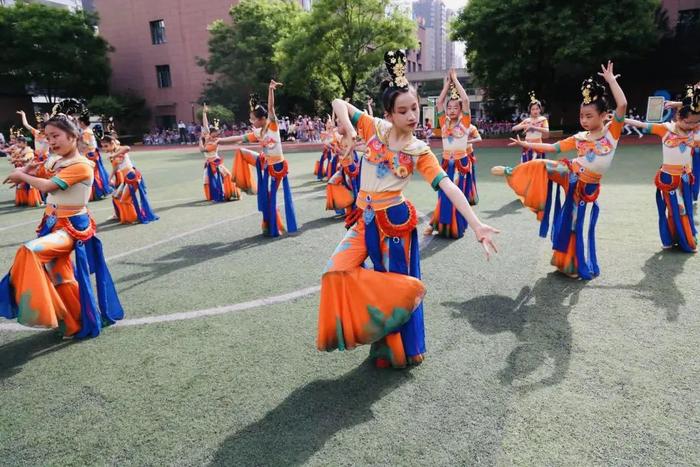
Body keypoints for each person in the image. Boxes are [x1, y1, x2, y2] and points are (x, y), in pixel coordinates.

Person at [317, 50, 499, 369]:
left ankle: (398, 349)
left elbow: (447, 186)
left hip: (395, 223)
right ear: (389, 114)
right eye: (403, 111)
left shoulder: (420, 151)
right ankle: (378, 325)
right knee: (335, 270)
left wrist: (476, 224)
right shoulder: (374, 129)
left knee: (396, 283)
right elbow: (337, 102)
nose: (412, 115)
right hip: (364, 222)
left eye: (414, 107)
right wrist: (346, 126)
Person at [492, 61, 627, 280]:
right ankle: (512, 171)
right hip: (571, 174)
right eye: (582, 116)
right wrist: (526, 145)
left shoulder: (612, 133)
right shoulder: (579, 138)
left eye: (589, 116)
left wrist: (611, 81)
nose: (583, 120)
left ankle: (568, 263)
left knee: (571, 222)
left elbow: (622, 105)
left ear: (604, 115)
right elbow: (552, 147)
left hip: (585, 186)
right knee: (542, 165)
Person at [0, 111, 124, 338]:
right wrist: (27, 169)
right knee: (59, 275)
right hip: (52, 224)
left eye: (56, 136)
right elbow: (42, 167)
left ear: (73, 135)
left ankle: (32, 308)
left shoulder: (82, 165)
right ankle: (75, 322)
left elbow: (48, 186)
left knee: (29, 251)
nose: (51, 141)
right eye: (48, 137)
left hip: (71, 228)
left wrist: (22, 176)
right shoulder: (57, 160)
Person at [623, 85, 700, 252]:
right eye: (689, 122)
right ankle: (678, 239)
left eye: (696, 122)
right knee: (676, 208)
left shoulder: (695, 133)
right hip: (668, 179)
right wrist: (622, 120)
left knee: (683, 208)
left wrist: (680, 103)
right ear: (679, 117)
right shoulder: (665, 129)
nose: (692, 125)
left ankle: (682, 239)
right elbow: (643, 125)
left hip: (685, 178)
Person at [229, 81, 298, 237]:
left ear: (261, 118)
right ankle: (268, 223)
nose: (251, 122)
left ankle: (274, 226)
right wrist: (219, 140)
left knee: (271, 196)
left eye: (253, 119)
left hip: (278, 167)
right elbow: (240, 137)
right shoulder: (259, 132)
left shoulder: (272, 125)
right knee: (241, 152)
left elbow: (271, 107)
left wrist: (270, 89)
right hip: (266, 163)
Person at [426, 68, 481, 238]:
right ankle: (440, 224)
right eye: (449, 108)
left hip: (460, 163)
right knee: (443, 195)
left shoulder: (465, 122)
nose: (450, 110)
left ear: (460, 110)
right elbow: (439, 102)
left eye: (454, 108)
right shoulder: (443, 122)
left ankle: (455, 226)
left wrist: (455, 81)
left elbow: (465, 99)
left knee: (457, 195)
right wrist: (447, 84)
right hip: (445, 163)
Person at [101, 135, 159, 224]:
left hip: (132, 176)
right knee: (116, 196)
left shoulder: (120, 149)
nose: (104, 148)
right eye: (103, 146)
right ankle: (123, 216)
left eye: (106, 146)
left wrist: (114, 155)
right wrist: (110, 177)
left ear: (112, 143)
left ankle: (133, 217)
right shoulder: (112, 153)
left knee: (124, 199)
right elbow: (116, 167)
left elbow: (127, 148)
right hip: (126, 179)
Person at [197, 105, 241, 203]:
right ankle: (211, 196)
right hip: (208, 163)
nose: (217, 134)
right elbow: (206, 125)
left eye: (218, 133)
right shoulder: (208, 136)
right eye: (216, 132)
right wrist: (204, 113)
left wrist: (200, 140)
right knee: (206, 181)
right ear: (211, 132)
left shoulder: (215, 142)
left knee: (227, 175)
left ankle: (231, 192)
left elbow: (202, 150)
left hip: (215, 162)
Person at [77, 111, 113, 200]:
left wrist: (79, 138)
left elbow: (86, 143)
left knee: (92, 174)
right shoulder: (88, 131)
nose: (78, 124)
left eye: (78, 123)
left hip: (90, 155)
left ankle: (97, 192)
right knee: (95, 173)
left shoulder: (86, 132)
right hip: (92, 154)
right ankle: (98, 192)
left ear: (82, 123)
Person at [511, 92, 549, 163]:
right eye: (533, 109)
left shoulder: (543, 119)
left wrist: (533, 127)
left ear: (540, 110)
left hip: (538, 145)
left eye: (537, 109)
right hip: (527, 145)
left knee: (537, 167)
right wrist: (525, 125)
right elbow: (514, 128)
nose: (535, 111)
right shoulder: (527, 120)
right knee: (525, 166)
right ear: (530, 111)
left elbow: (546, 130)